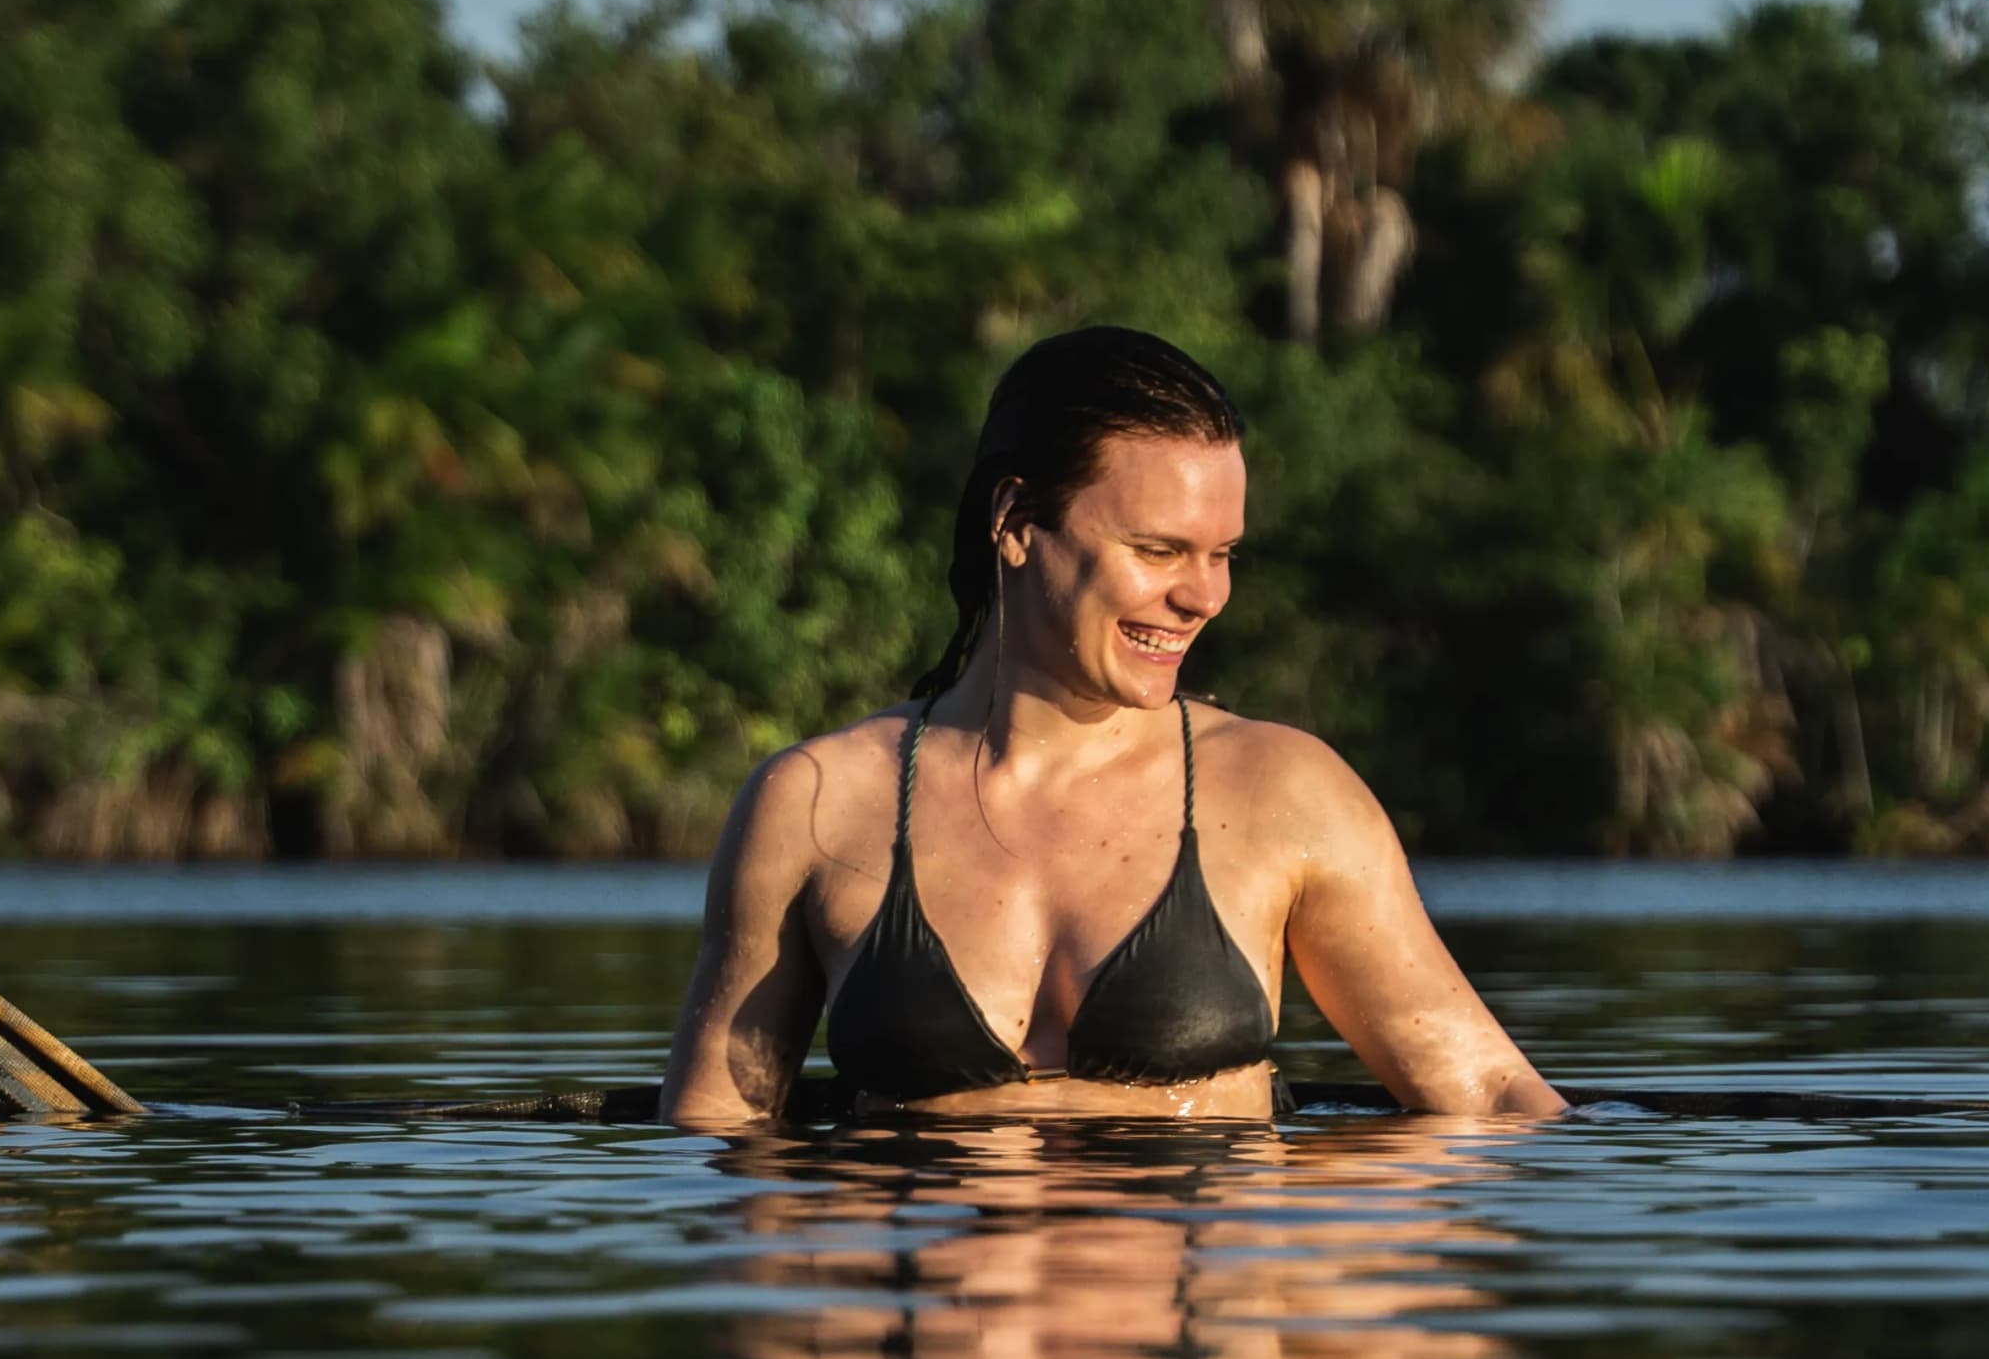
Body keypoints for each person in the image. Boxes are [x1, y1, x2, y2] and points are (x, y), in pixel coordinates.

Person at [664, 327, 1563, 1131]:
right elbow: (720, 1128)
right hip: (940, 1305)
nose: (1204, 596)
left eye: (1222, 556)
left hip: (1195, 1300)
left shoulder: (1282, 790)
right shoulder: (818, 801)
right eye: (1159, 550)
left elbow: (1487, 1097)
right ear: (1015, 522)